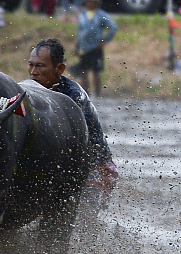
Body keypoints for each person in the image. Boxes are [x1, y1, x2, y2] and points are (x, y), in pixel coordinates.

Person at [26, 38, 117, 207]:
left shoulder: (74, 97)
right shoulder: (28, 91)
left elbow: (72, 144)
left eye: (40, 66)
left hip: (93, 165)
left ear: (59, 69)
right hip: (57, 163)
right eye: (31, 65)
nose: (33, 72)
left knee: (83, 215)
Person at [73, 0, 118, 96]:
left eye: (93, 2)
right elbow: (79, 32)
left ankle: (98, 94)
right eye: (88, 1)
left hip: (95, 48)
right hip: (84, 48)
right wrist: (76, 46)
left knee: (96, 72)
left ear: (97, 3)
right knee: (83, 72)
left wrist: (106, 40)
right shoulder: (82, 15)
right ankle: (86, 94)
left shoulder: (101, 15)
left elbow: (113, 27)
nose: (90, 4)